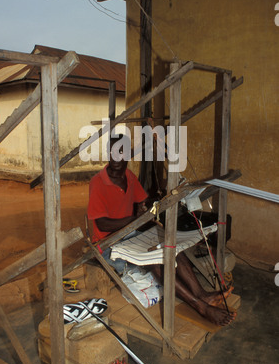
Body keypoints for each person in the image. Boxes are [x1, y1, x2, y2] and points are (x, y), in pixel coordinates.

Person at [87, 135, 236, 327]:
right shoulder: (98, 182)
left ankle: (202, 295)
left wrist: (153, 204)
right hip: (108, 245)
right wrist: (136, 219)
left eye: (121, 151)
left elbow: (144, 202)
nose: (116, 156)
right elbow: (103, 225)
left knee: (171, 246)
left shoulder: (129, 177)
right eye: (112, 152)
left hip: (129, 234)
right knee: (156, 260)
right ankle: (200, 306)